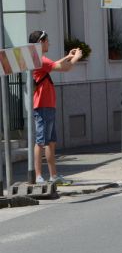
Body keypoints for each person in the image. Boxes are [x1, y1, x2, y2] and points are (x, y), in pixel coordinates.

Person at [29, 30, 83, 185]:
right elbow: (63, 68)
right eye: (47, 41)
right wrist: (76, 58)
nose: (49, 43)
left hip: (48, 104)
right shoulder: (39, 59)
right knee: (41, 141)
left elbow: (53, 65)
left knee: (51, 141)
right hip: (43, 104)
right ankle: (39, 176)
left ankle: (53, 176)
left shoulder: (40, 59)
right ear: (40, 42)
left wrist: (68, 57)